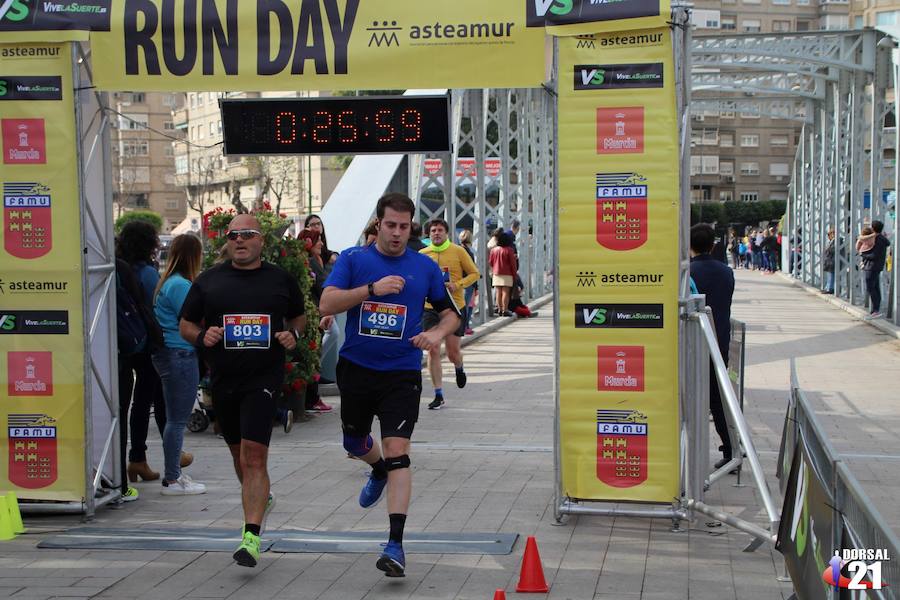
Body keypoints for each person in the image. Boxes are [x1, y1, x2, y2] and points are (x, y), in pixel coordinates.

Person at [319, 193, 460, 578]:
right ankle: (376, 468)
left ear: (410, 227)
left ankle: (395, 544)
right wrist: (371, 290)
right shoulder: (353, 259)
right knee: (354, 443)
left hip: (400, 374)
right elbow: (326, 304)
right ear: (377, 224)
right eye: (390, 225)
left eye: (404, 226)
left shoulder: (424, 267)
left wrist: (435, 335)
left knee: (399, 452)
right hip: (357, 369)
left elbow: (452, 315)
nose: (397, 233)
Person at [179, 214, 306, 568]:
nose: (239, 240)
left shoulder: (279, 280)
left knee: (254, 456)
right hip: (224, 381)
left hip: (263, 379)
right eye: (233, 235)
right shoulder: (209, 281)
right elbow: (186, 324)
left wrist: (291, 335)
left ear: (261, 241)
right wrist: (201, 336)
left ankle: (251, 537)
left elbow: (299, 317)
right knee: (239, 455)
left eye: (247, 234)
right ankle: (260, 498)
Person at [116, 220, 171, 483]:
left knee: (137, 402)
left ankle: (137, 458)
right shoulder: (148, 274)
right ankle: (143, 456)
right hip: (145, 341)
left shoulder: (119, 267)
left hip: (126, 341)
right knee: (154, 398)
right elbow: (156, 308)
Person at [151, 234, 207, 495]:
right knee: (177, 419)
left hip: (169, 353)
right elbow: (195, 318)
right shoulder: (181, 286)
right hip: (180, 353)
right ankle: (172, 478)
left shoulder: (168, 283)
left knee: (174, 417)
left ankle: (173, 475)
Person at [419, 219, 480, 410]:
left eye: (440, 230)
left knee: (452, 352)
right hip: (430, 308)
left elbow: (474, 273)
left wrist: (457, 285)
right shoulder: (422, 254)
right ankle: (438, 394)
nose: (436, 233)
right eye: (433, 231)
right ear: (428, 234)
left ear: (446, 233)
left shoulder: (458, 251)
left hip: (454, 306)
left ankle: (459, 366)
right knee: (433, 348)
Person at [689, 223, 736, 471]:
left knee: (686, 398)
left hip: (691, 343)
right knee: (719, 400)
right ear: (713, 244)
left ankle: (686, 453)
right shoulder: (726, 272)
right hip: (719, 341)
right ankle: (731, 450)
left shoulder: (686, 273)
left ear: (689, 245)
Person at [297, 228, 333, 413]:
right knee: (314, 356)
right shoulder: (312, 262)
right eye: (317, 240)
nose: (321, 244)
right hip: (316, 314)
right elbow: (323, 286)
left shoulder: (312, 260)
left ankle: (312, 398)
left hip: (315, 313)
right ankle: (312, 399)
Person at [860, 220, 891, 319]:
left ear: (873, 228)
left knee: (870, 287)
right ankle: (875, 310)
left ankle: (876, 310)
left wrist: (863, 254)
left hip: (872, 266)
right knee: (875, 288)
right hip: (875, 266)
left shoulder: (878, 240)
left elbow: (874, 255)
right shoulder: (880, 239)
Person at [489, 231, 518, 317]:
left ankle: (499, 309)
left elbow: (490, 262)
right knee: (506, 292)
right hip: (507, 273)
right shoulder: (509, 250)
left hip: (496, 273)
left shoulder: (494, 250)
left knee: (498, 292)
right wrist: (514, 274)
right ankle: (505, 310)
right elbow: (513, 264)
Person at [458, 229, 477, 335]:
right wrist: (476, 285)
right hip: (467, 282)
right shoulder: (469, 252)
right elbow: (472, 270)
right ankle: (465, 326)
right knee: (466, 305)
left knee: (461, 305)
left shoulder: (457, 250)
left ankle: (462, 326)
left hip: (458, 281)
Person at [823, 228, 835, 294]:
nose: (828, 236)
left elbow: (831, 250)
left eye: (829, 234)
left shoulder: (835, 241)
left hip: (832, 261)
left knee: (831, 275)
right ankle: (828, 287)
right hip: (829, 260)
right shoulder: (831, 241)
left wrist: (827, 249)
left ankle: (830, 288)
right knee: (829, 274)